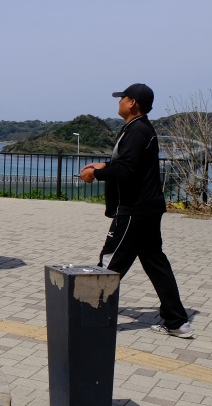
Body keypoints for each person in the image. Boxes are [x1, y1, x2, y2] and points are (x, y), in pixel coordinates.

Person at [80, 83, 193, 338]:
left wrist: (95, 174)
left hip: (135, 210)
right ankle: (176, 322)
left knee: (109, 262)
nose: (119, 101)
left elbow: (126, 171)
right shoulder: (138, 129)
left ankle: (90, 321)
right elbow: (129, 165)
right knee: (155, 263)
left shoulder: (137, 131)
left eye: (123, 98)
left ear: (132, 103)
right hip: (148, 208)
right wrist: (105, 164)